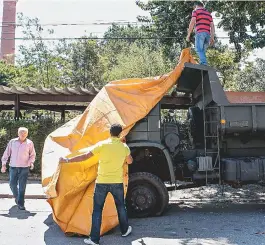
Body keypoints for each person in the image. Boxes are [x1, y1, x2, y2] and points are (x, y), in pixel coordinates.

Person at [59, 124, 133, 245]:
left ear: (110, 132)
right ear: (120, 134)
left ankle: (94, 239)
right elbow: (129, 161)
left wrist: (67, 160)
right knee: (121, 207)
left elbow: (85, 156)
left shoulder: (102, 145)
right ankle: (124, 231)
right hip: (117, 182)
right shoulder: (124, 147)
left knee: (97, 210)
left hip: (101, 182)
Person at [1, 127, 36, 210]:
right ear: (18, 133)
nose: (23, 134)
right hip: (13, 167)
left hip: (24, 168)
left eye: (25, 133)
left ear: (27, 134)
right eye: (21, 133)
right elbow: (6, 153)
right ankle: (18, 198)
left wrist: (31, 162)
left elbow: (32, 155)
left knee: (22, 186)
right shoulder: (12, 142)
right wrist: (3, 164)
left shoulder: (30, 143)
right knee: (12, 184)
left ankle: (21, 203)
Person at [186, 1, 215, 65]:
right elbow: (212, 26)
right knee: (202, 51)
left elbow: (192, 22)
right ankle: (202, 64)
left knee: (198, 49)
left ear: (196, 6)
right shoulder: (208, 14)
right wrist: (212, 37)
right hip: (207, 35)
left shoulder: (195, 11)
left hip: (200, 33)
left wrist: (188, 34)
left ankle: (204, 64)